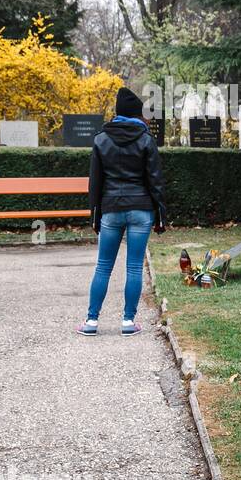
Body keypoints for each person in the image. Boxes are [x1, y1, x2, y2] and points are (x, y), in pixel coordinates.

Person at [77, 87, 167, 336]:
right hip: (141, 209)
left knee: (103, 266)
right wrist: (161, 216)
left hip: (111, 209)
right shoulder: (146, 139)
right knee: (134, 267)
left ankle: (91, 321)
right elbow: (156, 181)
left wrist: (95, 216)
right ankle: (128, 322)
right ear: (136, 114)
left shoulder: (101, 139)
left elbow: (95, 183)